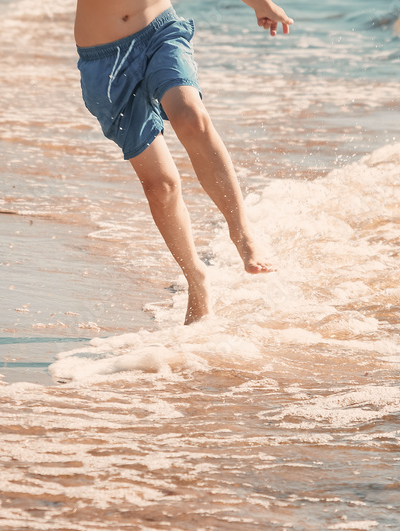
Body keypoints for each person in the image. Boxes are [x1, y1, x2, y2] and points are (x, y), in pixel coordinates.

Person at [75, 0, 293, 324]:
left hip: (158, 31)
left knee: (190, 116)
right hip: (104, 62)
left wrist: (260, 4)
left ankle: (242, 232)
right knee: (160, 186)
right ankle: (196, 278)